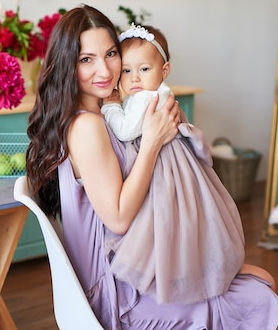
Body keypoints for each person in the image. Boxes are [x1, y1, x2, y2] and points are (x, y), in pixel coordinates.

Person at [26, 4, 278, 330]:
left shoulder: (104, 115)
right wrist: (150, 143)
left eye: (111, 54)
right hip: (118, 298)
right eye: (87, 59)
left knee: (261, 279)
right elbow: (117, 219)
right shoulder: (87, 127)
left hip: (133, 268)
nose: (105, 70)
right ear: (68, 64)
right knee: (257, 298)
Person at [100, 23, 245, 306]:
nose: (135, 78)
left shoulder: (145, 98)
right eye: (127, 70)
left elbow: (126, 131)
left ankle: (164, 270)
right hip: (178, 164)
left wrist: (110, 106)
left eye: (144, 69)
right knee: (181, 219)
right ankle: (186, 266)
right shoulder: (160, 92)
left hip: (164, 168)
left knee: (160, 219)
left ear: (164, 70)